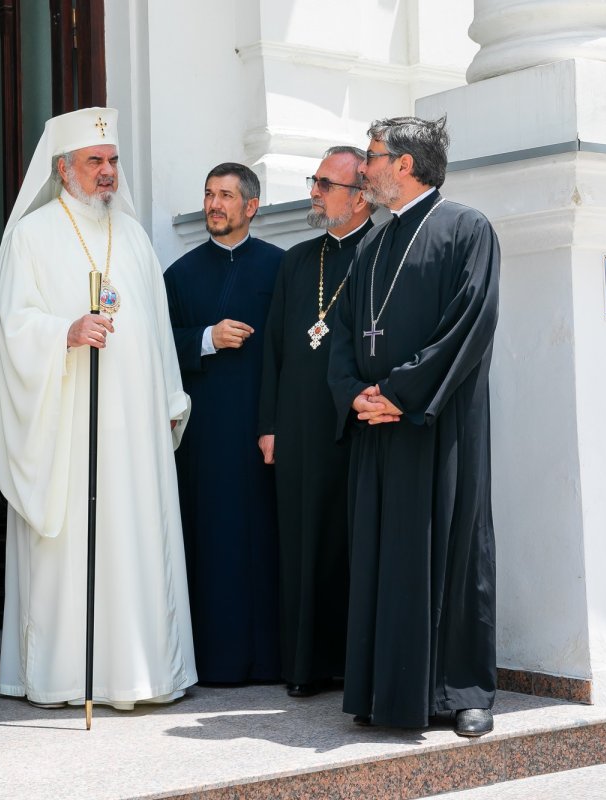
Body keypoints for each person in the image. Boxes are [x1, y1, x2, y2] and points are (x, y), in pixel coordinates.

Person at [0, 107, 198, 709]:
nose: (107, 173)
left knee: (135, 537)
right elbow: (11, 328)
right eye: (94, 162)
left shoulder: (131, 234)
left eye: (112, 161)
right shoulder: (31, 235)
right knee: (74, 543)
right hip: (69, 428)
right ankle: (64, 675)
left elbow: (156, 328)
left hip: (134, 430)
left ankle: (139, 671)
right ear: (63, 168)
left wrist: (171, 396)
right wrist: (64, 332)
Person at [326, 116, 500, 737]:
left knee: (450, 547)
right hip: (377, 427)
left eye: (372, 158)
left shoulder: (466, 229)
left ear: (404, 164)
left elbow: (470, 322)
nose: (363, 169)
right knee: (382, 556)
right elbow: (345, 336)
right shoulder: (371, 244)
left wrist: (400, 393)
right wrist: (356, 397)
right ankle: (383, 690)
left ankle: (463, 691)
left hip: (436, 422)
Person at [258, 147, 375, 698]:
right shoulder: (299, 260)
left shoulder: (381, 252)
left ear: (359, 196)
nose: (314, 192)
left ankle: (355, 666)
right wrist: (269, 425)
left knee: (351, 545)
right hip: (300, 428)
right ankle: (305, 666)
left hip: (355, 426)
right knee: (304, 544)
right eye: (315, 181)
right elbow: (275, 351)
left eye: (325, 184)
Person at [163, 162, 282, 685]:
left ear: (250, 207)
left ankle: (273, 660)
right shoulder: (180, 275)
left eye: (226, 196)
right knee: (211, 544)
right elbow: (158, 347)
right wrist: (207, 337)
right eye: (209, 194)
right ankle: (213, 662)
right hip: (205, 438)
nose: (214, 204)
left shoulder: (282, 268)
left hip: (262, 432)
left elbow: (292, 354)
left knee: (265, 544)